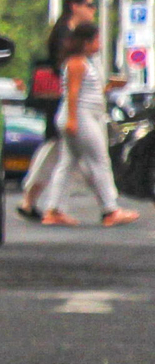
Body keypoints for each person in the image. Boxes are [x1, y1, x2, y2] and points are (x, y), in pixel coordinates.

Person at [40, 18, 139, 227]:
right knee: (100, 161)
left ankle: (54, 208)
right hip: (80, 116)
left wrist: (108, 88)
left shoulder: (84, 62)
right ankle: (110, 209)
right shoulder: (76, 63)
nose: (99, 45)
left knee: (67, 164)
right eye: (97, 40)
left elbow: (88, 92)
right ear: (86, 42)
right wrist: (73, 119)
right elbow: (73, 93)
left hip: (82, 115)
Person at [20, 0, 96, 221]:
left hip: (66, 101)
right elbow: (65, 68)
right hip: (63, 101)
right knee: (61, 153)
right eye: (89, 5)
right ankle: (106, 205)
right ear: (75, 5)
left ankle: (39, 202)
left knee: (62, 154)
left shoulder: (67, 31)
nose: (93, 11)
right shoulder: (65, 34)